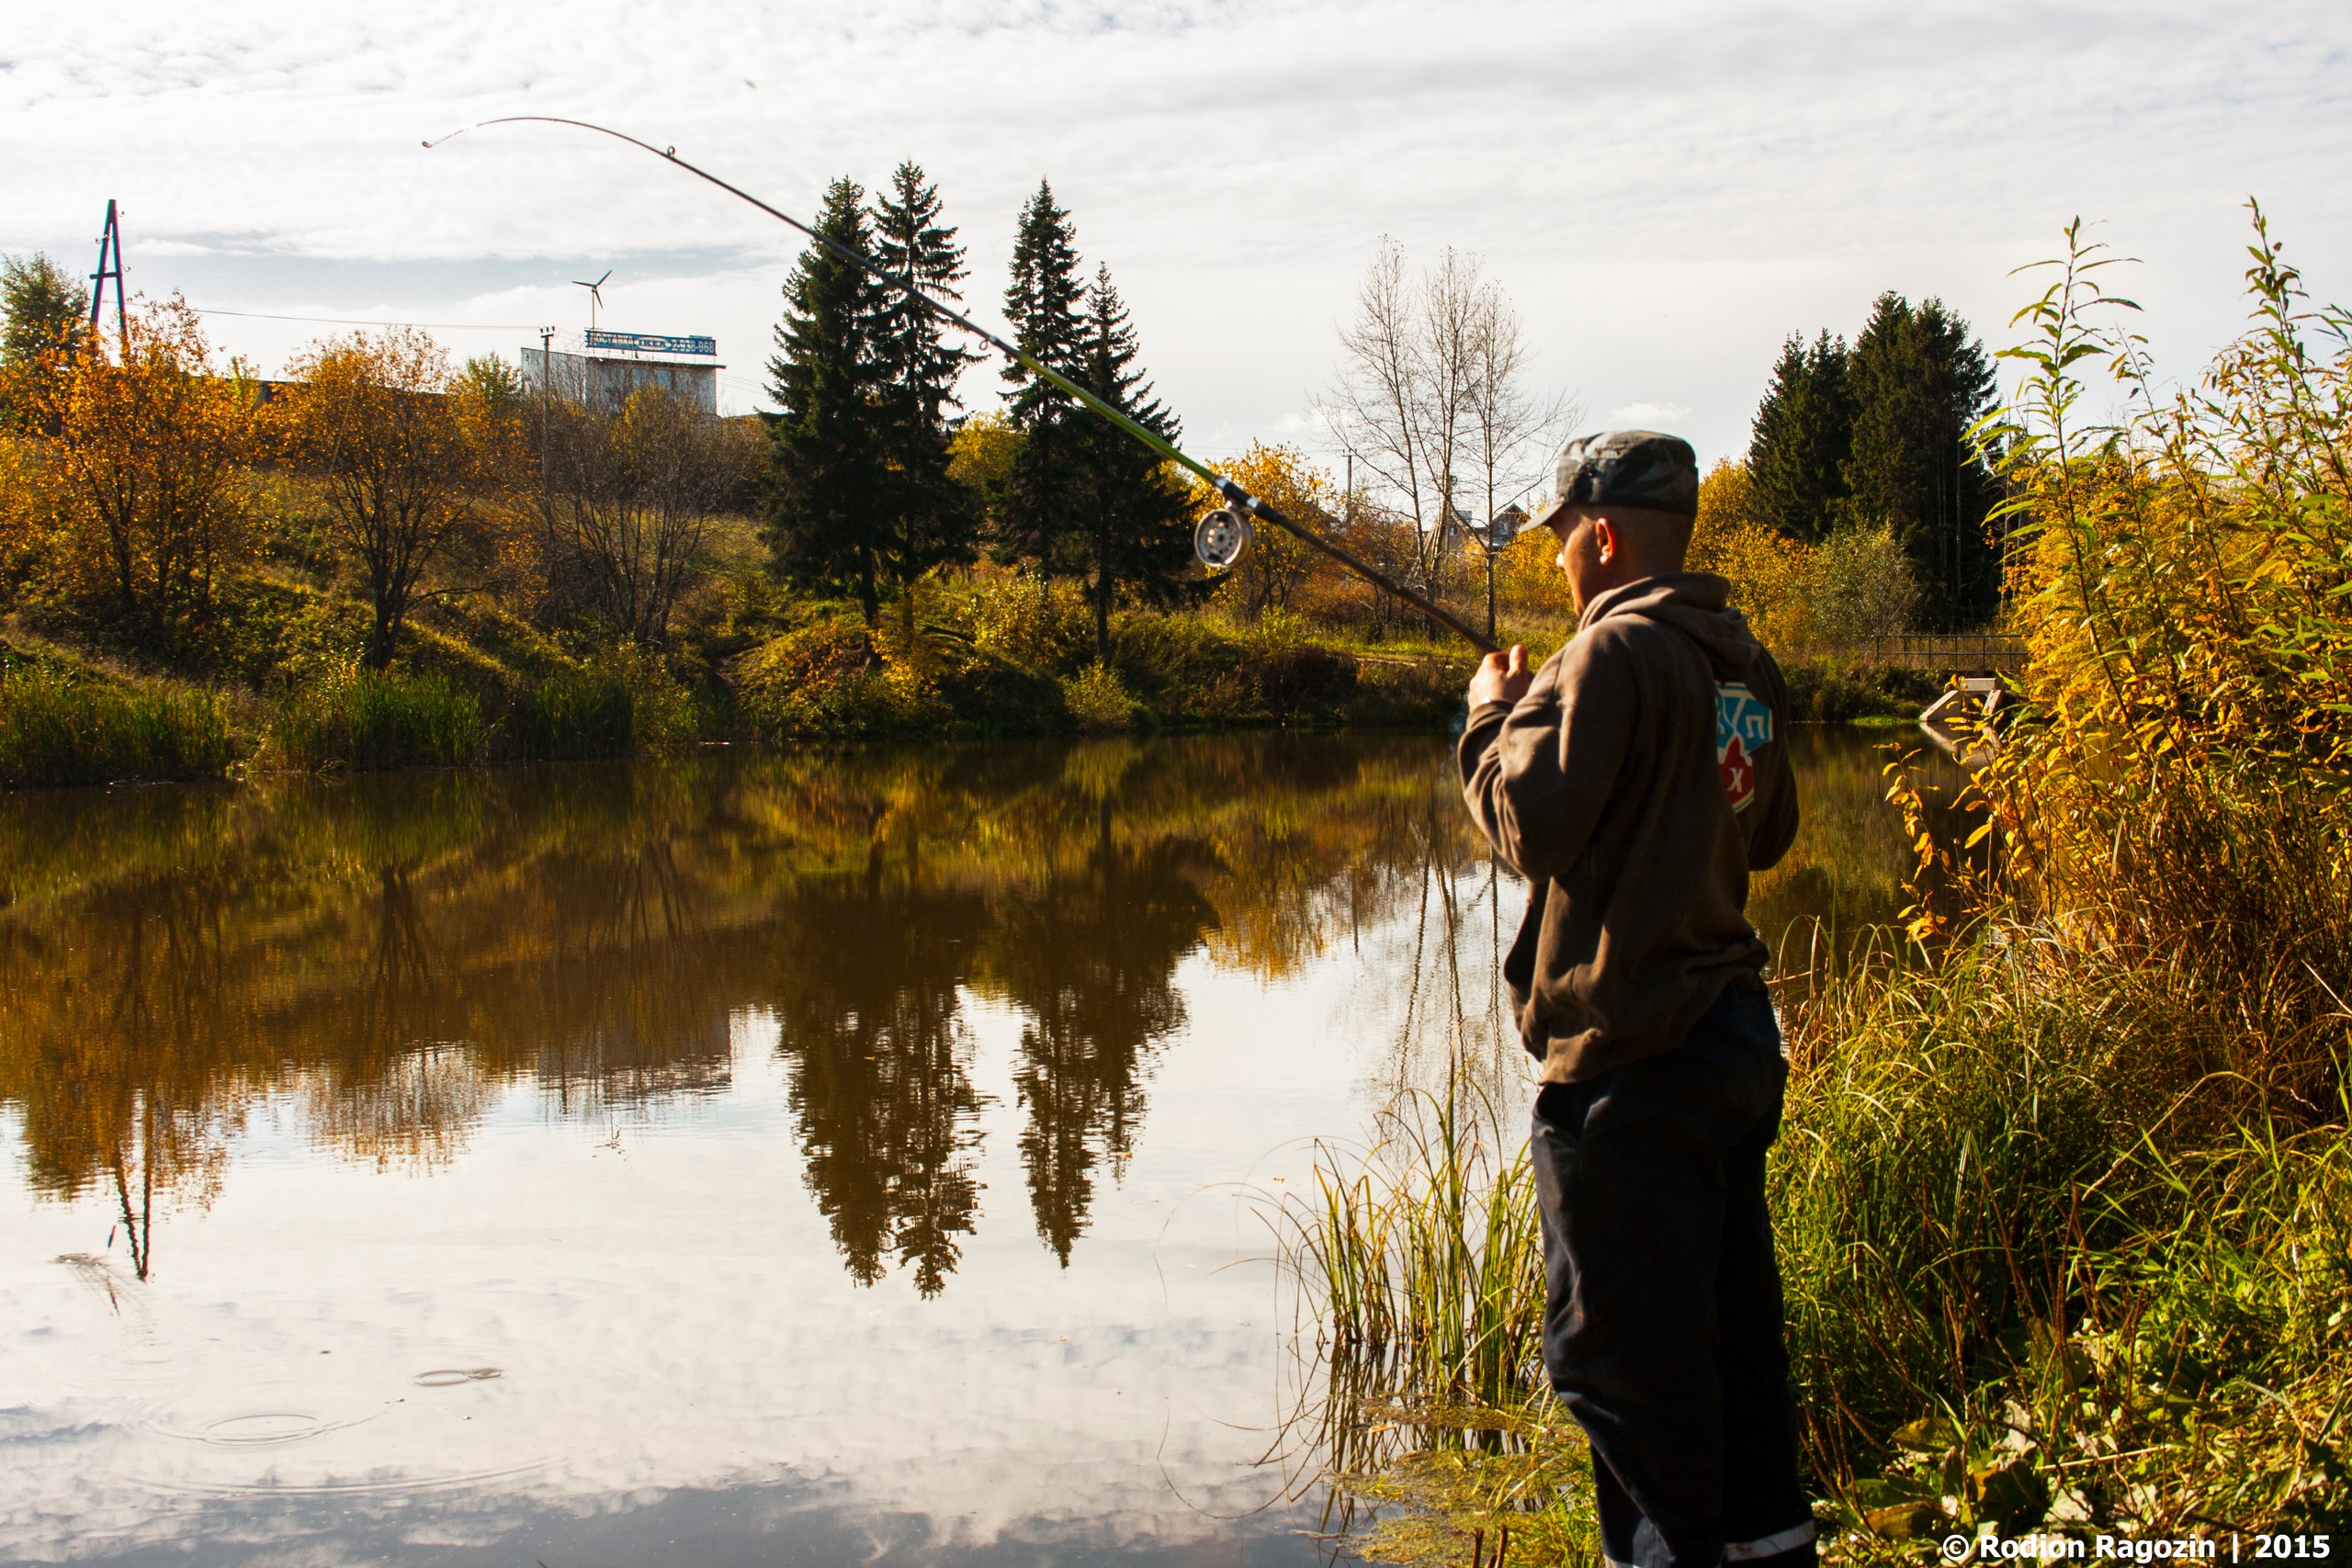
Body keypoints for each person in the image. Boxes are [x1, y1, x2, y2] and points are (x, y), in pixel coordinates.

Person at [1458, 431, 1811, 1568]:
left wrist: (1490, 718)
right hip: (1727, 1046)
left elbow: (1531, 826)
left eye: (1563, 540)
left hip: (1629, 1065)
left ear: (1602, 536)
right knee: (1731, 1350)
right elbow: (1769, 832)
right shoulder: (1739, 662)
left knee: (1615, 1366)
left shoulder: (1606, 656)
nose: (1559, 563)